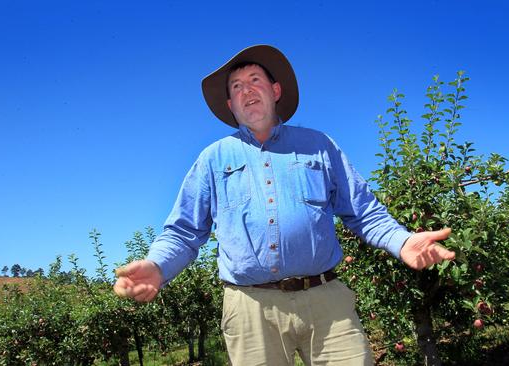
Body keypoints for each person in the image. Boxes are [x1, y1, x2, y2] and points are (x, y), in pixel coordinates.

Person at [114, 45, 455, 365]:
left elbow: (363, 211)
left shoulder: (318, 146)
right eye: (236, 87)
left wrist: (403, 241)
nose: (246, 90)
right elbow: (185, 232)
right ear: (231, 105)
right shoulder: (212, 160)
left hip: (326, 301)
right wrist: (158, 266)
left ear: (275, 91)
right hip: (250, 306)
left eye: (254, 80)